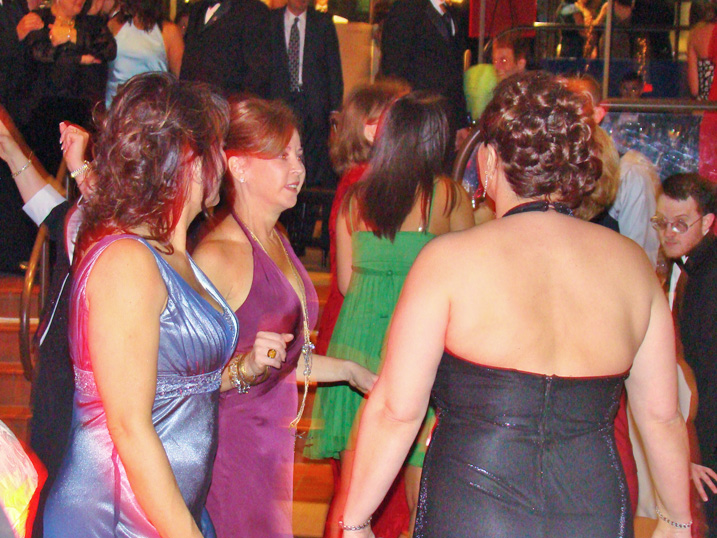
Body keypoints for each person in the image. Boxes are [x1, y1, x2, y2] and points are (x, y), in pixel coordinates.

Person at [340, 71, 691, 538]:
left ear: (488, 160)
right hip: (594, 505)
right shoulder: (632, 265)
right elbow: (662, 416)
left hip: (473, 508)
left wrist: (357, 520)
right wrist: (676, 518)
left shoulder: (449, 261)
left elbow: (396, 410)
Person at [43, 72, 238, 538]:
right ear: (188, 158)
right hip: (114, 514)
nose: (226, 162)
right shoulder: (127, 261)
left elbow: (177, 385)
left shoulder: (175, 253)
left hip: (168, 506)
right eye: (218, 148)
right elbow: (129, 426)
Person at [193, 97, 376, 538]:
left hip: (269, 450)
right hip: (233, 450)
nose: (298, 169)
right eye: (281, 157)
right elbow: (184, 380)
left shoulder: (275, 237)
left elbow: (284, 360)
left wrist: (350, 371)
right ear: (238, 167)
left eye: (299, 154)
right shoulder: (218, 256)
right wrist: (246, 368)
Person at [307, 91, 474, 538]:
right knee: (424, 497)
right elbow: (471, 275)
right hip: (418, 343)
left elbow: (345, 282)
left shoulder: (356, 197)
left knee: (353, 491)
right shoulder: (447, 197)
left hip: (358, 341)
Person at [310, 81, 410, 538]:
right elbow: (352, 280)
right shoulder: (366, 185)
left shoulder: (361, 180)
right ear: (372, 128)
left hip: (352, 325)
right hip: (361, 331)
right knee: (363, 484)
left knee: (359, 481)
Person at [0, 106, 92, 538]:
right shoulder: (84, 213)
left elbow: (115, 228)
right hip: (58, 372)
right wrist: (9, 149)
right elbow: (52, 213)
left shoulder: (123, 221)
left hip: (85, 383)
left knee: (67, 499)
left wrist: (82, 171)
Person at [653, 173, 717, 537]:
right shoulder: (680, 265)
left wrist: (695, 450)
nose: (668, 233)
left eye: (680, 223)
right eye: (662, 222)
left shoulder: (709, 277)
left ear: (707, 223)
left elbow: (706, 372)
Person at [24, 0, 116, 174]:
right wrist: (80, 58)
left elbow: (108, 50)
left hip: (84, 108)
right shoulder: (41, 20)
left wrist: (70, 35)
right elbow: (38, 54)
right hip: (45, 109)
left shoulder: (90, 23)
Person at [269, 0, 343, 188]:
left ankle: (309, 200)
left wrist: (335, 108)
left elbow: (333, 67)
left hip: (314, 102)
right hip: (280, 100)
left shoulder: (323, 23)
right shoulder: (270, 21)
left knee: (314, 161)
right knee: (283, 151)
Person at [379, 0, 469, 137]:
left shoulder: (453, 13)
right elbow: (393, 69)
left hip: (444, 119)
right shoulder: (406, 9)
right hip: (416, 120)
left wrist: (460, 122)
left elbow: (455, 74)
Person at [181, 0, 271, 98]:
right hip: (194, 100)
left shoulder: (253, 11)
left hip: (229, 101)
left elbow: (257, 74)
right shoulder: (197, 9)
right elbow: (187, 62)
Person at [104, 0, 184, 107]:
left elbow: (180, 79)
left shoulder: (169, 31)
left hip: (152, 108)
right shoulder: (114, 24)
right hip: (115, 105)